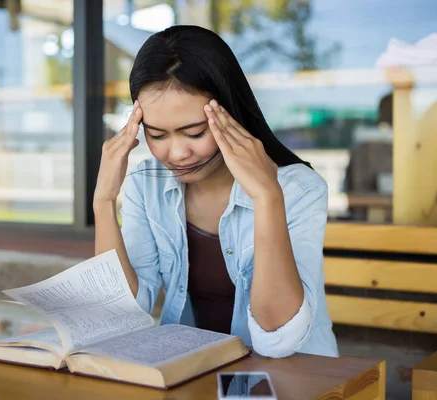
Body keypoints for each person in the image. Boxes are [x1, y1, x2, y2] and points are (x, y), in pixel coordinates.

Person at [93, 25, 338, 358]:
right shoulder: (146, 184)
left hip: (294, 376)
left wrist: (267, 198)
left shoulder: (298, 190)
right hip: (198, 373)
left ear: (230, 114)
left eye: (194, 133)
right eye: (157, 135)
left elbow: (278, 341)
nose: (177, 154)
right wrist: (103, 202)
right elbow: (118, 316)